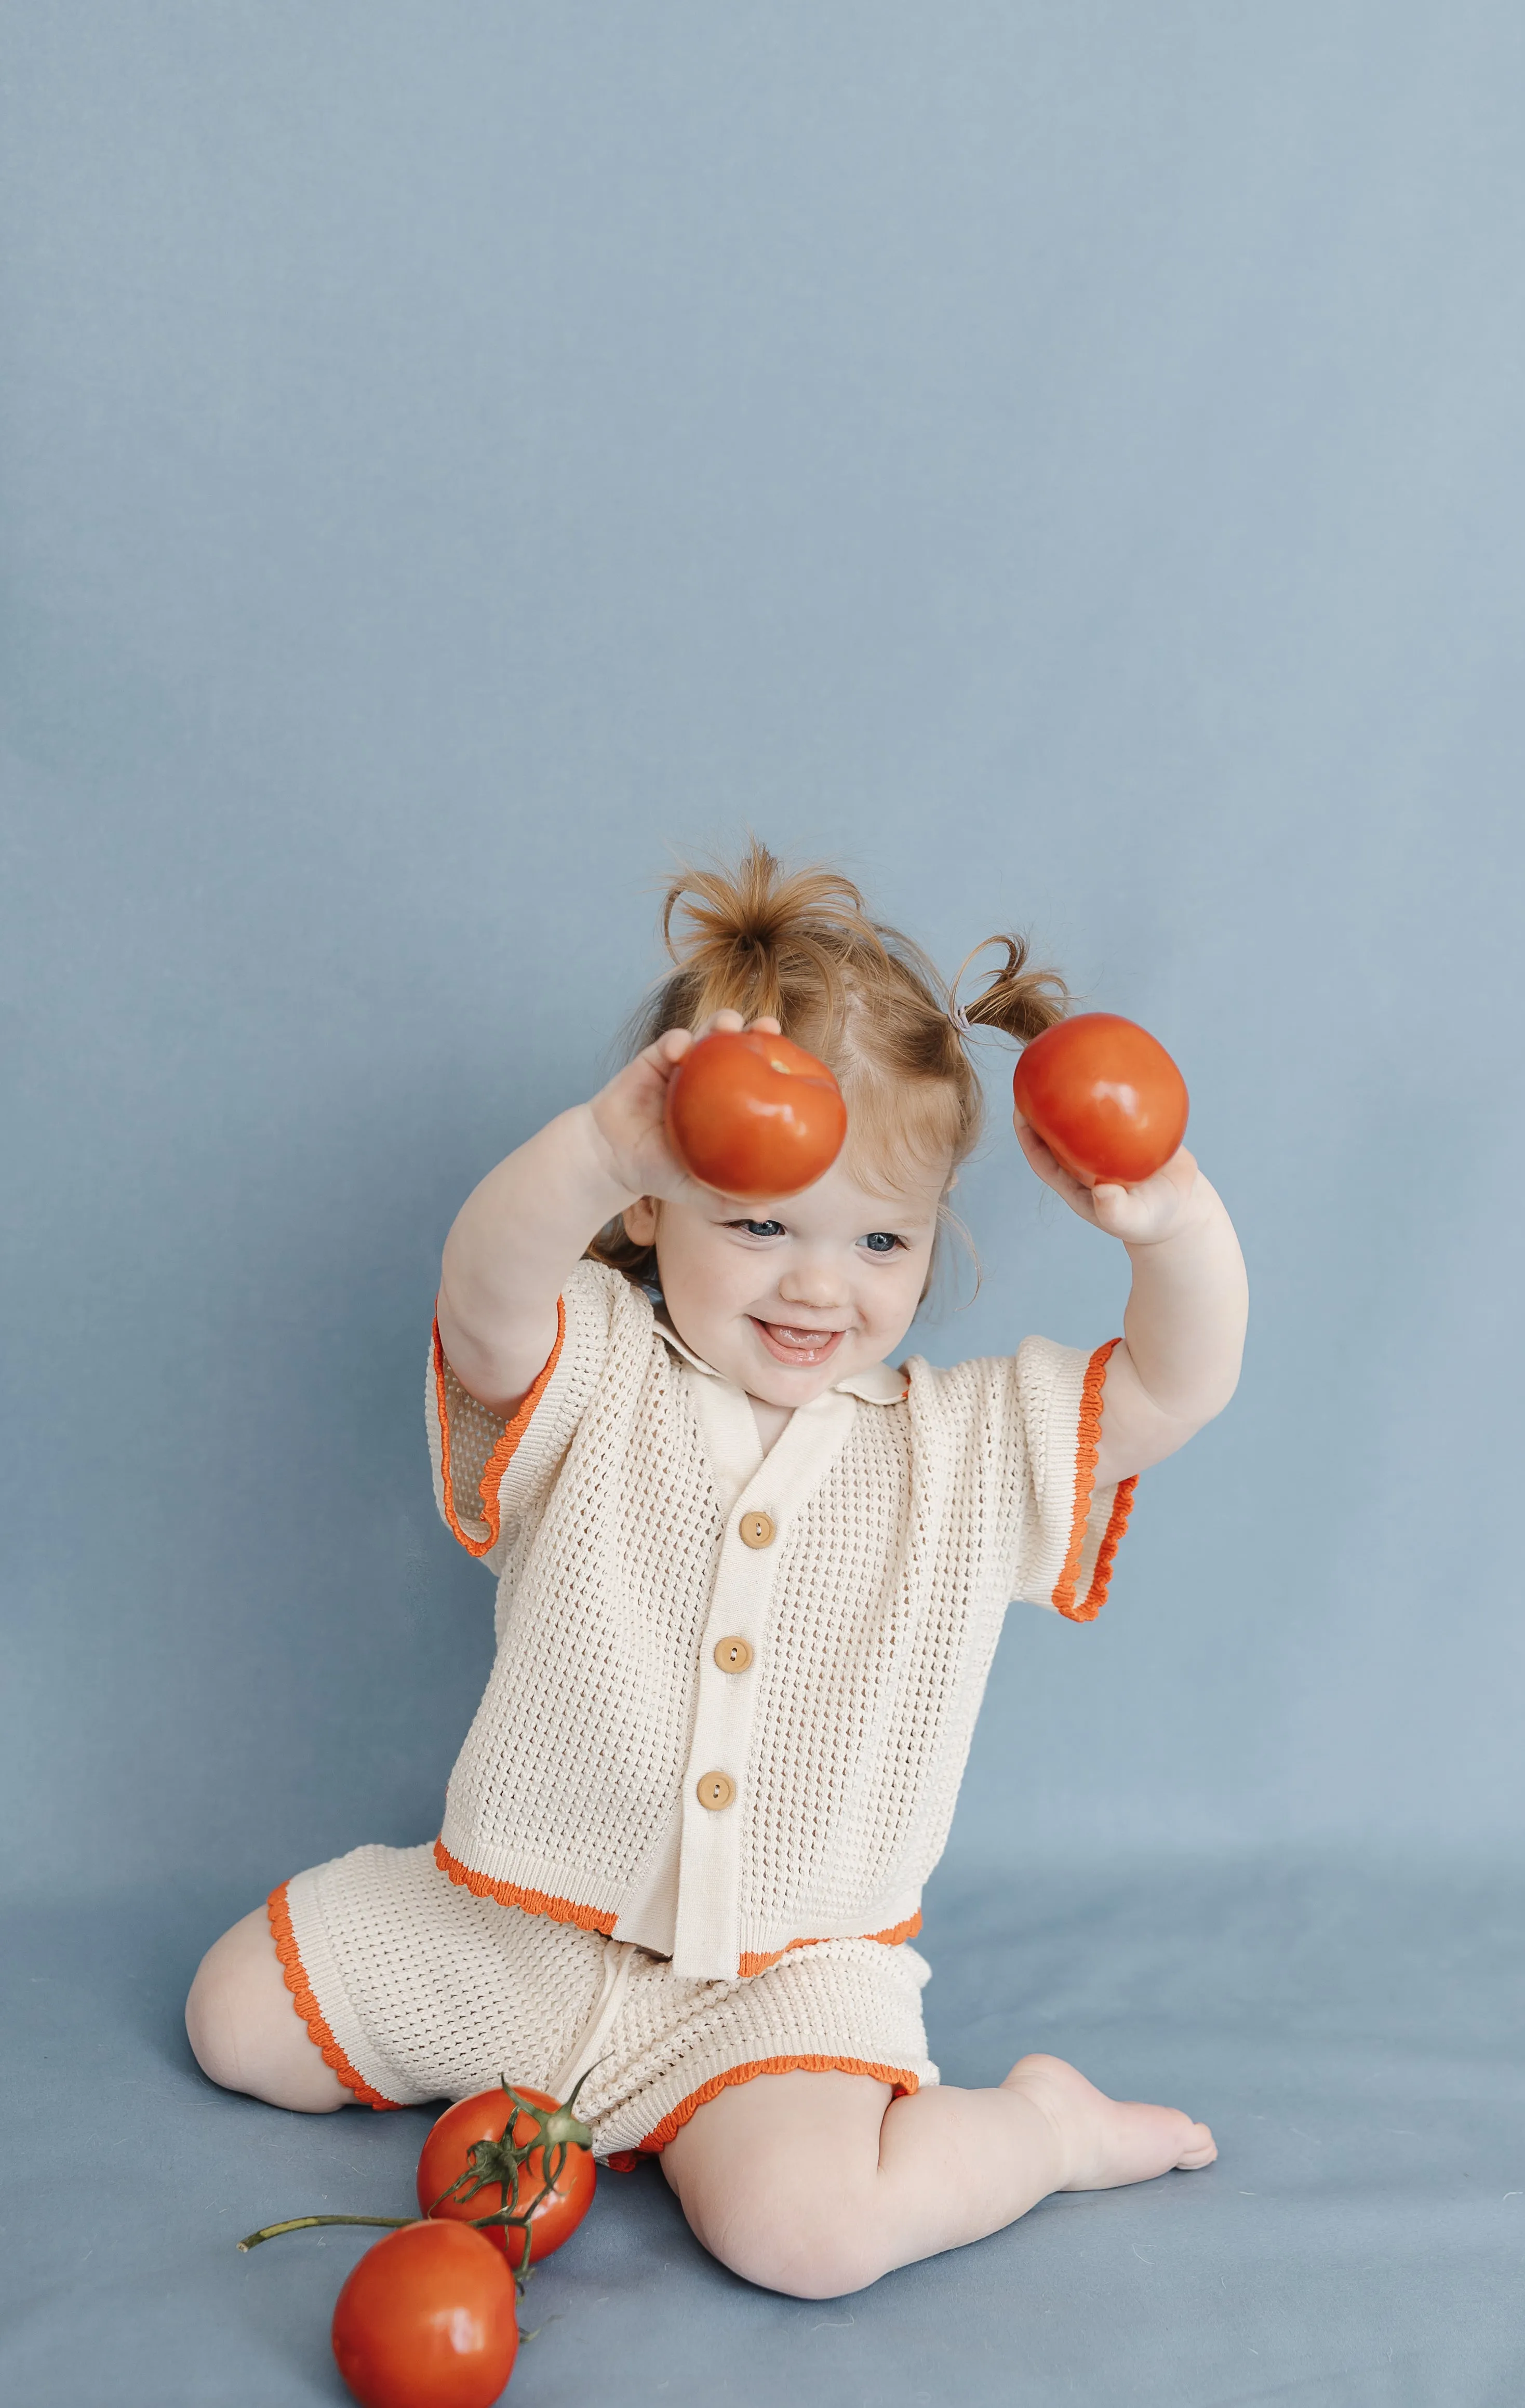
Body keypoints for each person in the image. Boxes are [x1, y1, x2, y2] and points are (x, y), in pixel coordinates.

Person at [186, 840, 1248, 2299]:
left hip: (770, 1993)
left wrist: (1174, 1216)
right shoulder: (597, 1367)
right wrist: (595, 1148)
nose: (821, 1283)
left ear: (932, 1238)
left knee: (810, 2235)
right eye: (760, 1223)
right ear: (652, 1208)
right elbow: (481, 1296)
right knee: (233, 2015)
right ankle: (540, 2072)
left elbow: (1176, 1390)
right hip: (513, 1926)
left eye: (882, 1237)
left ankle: (1042, 2130)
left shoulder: (963, 1450)